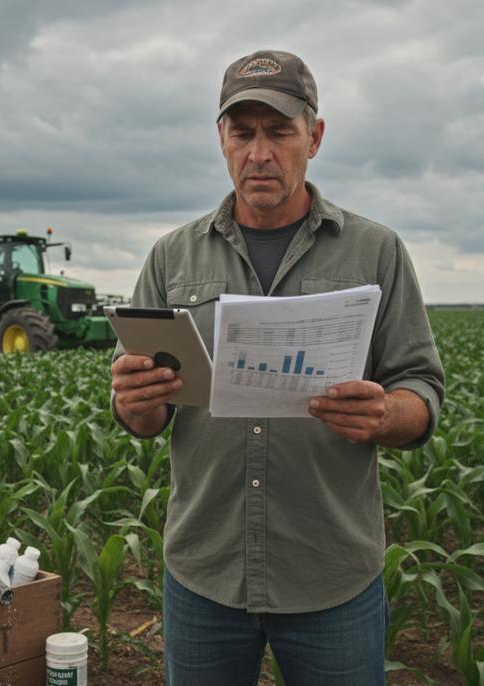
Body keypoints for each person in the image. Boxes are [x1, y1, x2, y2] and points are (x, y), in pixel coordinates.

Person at [110, 49, 445, 685]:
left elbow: (422, 390)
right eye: (243, 133)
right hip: (204, 573)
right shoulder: (171, 257)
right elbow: (141, 414)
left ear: (313, 137)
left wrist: (384, 413)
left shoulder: (376, 251)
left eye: (279, 131)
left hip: (331, 577)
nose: (259, 153)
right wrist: (135, 403)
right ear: (221, 139)